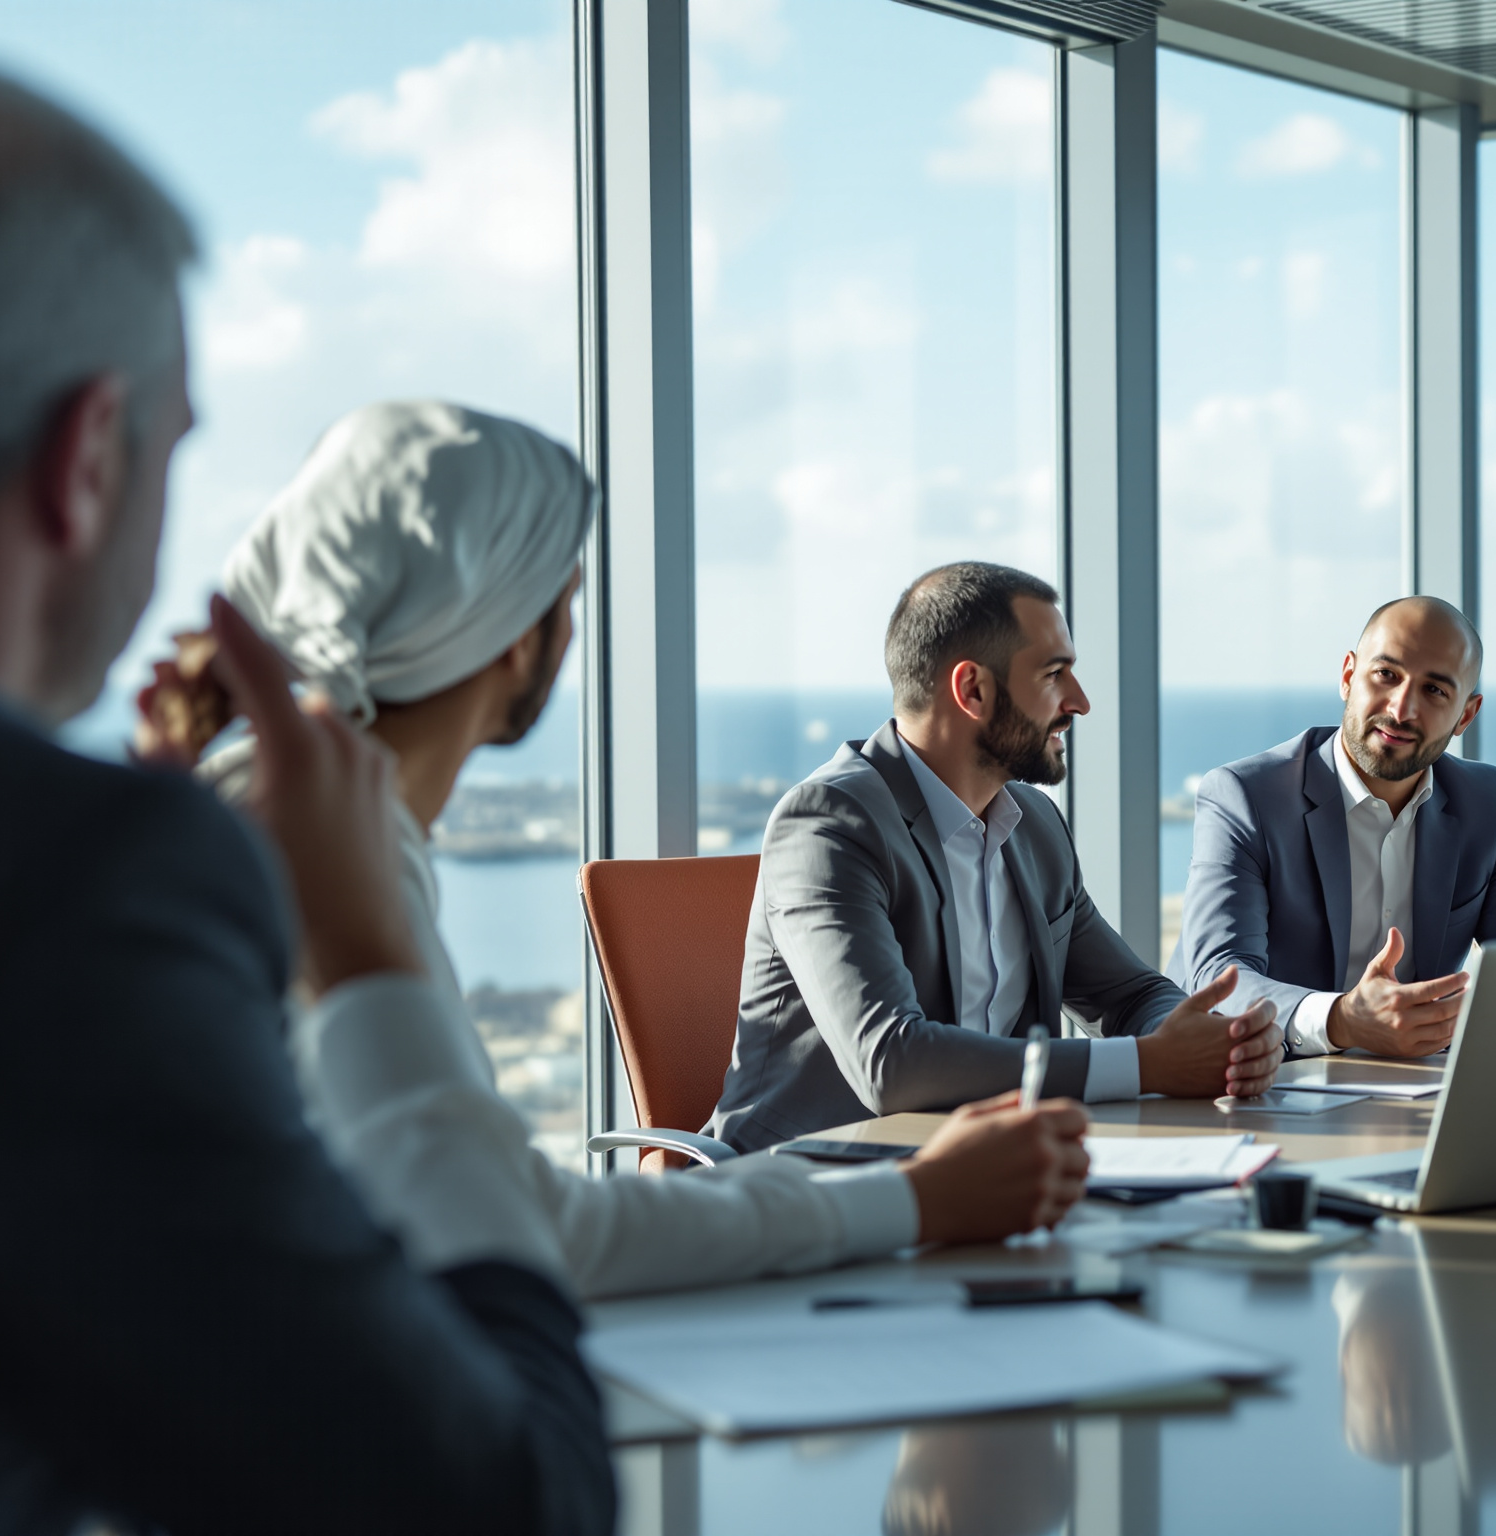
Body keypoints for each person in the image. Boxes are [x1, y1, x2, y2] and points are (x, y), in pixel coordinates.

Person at [0, 68, 609, 1533]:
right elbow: (494, 1503)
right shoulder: (79, 875)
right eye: (178, 447)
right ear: (87, 459)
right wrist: (369, 965)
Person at [136, 400, 1089, 1301]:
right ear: (518, 637)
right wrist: (920, 1199)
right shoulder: (326, 857)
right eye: (568, 600)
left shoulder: (286, 816)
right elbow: (527, 1232)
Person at [707, 562, 1284, 1151]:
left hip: (982, 1175)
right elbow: (890, 1061)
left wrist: (1211, 1041)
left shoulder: (1033, 825)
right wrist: (1148, 1066)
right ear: (973, 690)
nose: (1080, 703)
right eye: (1054, 674)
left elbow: (1129, 994)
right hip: (809, 1186)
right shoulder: (829, 824)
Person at [1176, 596, 1496, 1058]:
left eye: (1435, 690)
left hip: (1410, 1090)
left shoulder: (1486, 803)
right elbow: (1220, 978)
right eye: (1387, 675)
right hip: (1261, 1077)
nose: (1401, 710)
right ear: (1347, 676)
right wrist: (1344, 1020)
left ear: (1466, 715)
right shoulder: (1244, 796)